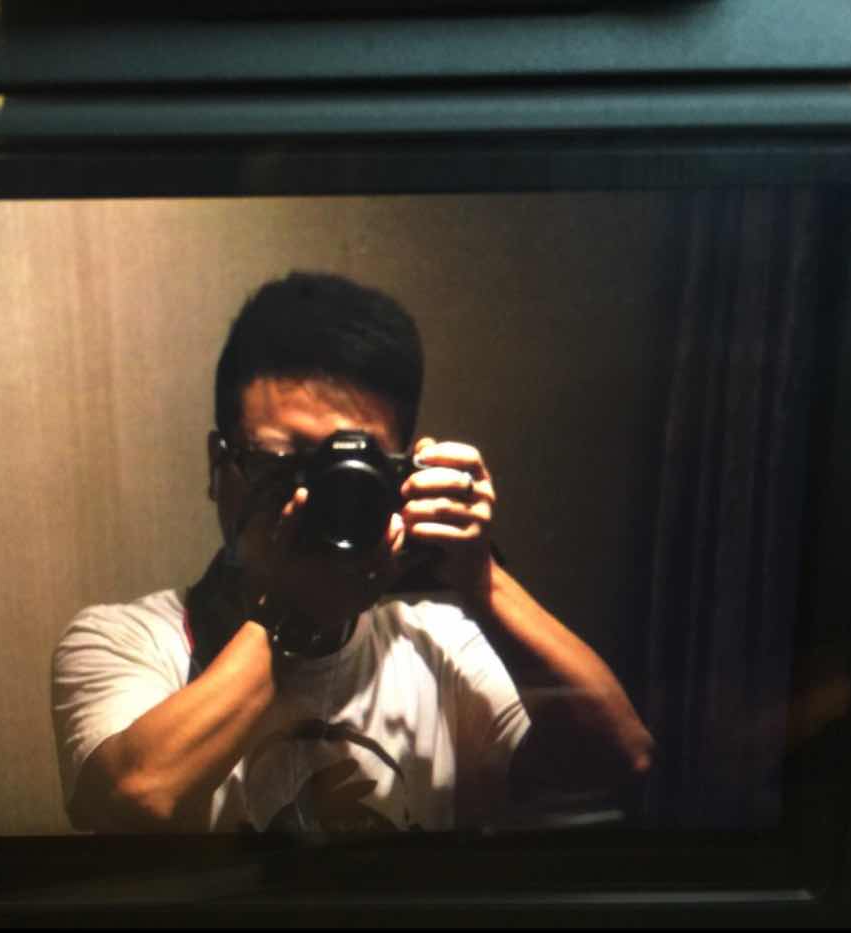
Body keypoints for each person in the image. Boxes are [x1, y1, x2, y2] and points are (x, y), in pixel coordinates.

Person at [51, 271, 654, 834]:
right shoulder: (128, 639)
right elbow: (132, 799)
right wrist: (292, 619)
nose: (310, 499)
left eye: (344, 471)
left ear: (398, 475)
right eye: (282, 465)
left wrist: (481, 578)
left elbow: (621, 758)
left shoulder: (437, 645)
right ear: (219, 467)